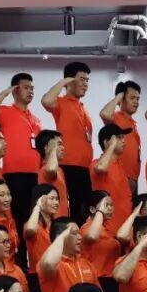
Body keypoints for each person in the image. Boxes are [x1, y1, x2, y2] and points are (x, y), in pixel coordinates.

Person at [0, 72, 42, 230]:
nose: (30, 91)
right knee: (17, 215)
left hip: (35, 173)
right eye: (25, 88)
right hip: (14, 173)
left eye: (32, 88)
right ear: (15, 90)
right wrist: (6, 92)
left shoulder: (35, 119)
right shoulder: (5, 111)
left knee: (32, 216)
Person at [42, 61, 94, 223]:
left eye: (87, 80)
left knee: (85, 212)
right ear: (70, 80)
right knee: (72, 212)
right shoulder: (61, 103)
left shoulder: (83, 108)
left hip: (85, 168)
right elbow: (46, 101)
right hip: (68, 166)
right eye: (81, 79)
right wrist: (65, 81)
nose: (85, 84)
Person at [81, 190, 125, 292]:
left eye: (111, 205)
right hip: (97, 280)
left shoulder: (108, 228)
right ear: (92, 209)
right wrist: (100, 212)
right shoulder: (86, 227)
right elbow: (92, 236)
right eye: (106, 205)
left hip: (113, 280)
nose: (111, 208)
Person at [90, 122, 134, 236]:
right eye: (118, 138)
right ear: (106, 142)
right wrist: (111, 147)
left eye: (123, 137)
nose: (123, 141)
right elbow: (100, 167)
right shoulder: (96, 164)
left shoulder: (120, 166)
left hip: (124, 230)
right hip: (108, 230)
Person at [99, 80, 142, 194]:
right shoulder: (116, 118)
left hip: (133, 178)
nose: (136, 102)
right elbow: (104, 114)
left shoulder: (133, 124)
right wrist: (119, 96)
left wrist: (134, 177)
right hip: (119, 175)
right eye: (132, 98)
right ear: (121, 99)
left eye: (138, 99)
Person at [24, 184, 60, 280]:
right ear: (40, 200)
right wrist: (38, 206)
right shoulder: (31, 225)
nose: (56, 202)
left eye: (57, 199)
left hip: (58, 273)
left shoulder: (57, 225)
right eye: (51, 198)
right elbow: (30, 230)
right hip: (38, 276)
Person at [35, 129, 69, 217]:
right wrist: (53, 149)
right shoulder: (45, 169)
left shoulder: (60, 170)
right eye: (59, 144)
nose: (63, 148)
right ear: (46, 147)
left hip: (62, 220)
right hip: (53, 222)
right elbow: (51, 170)